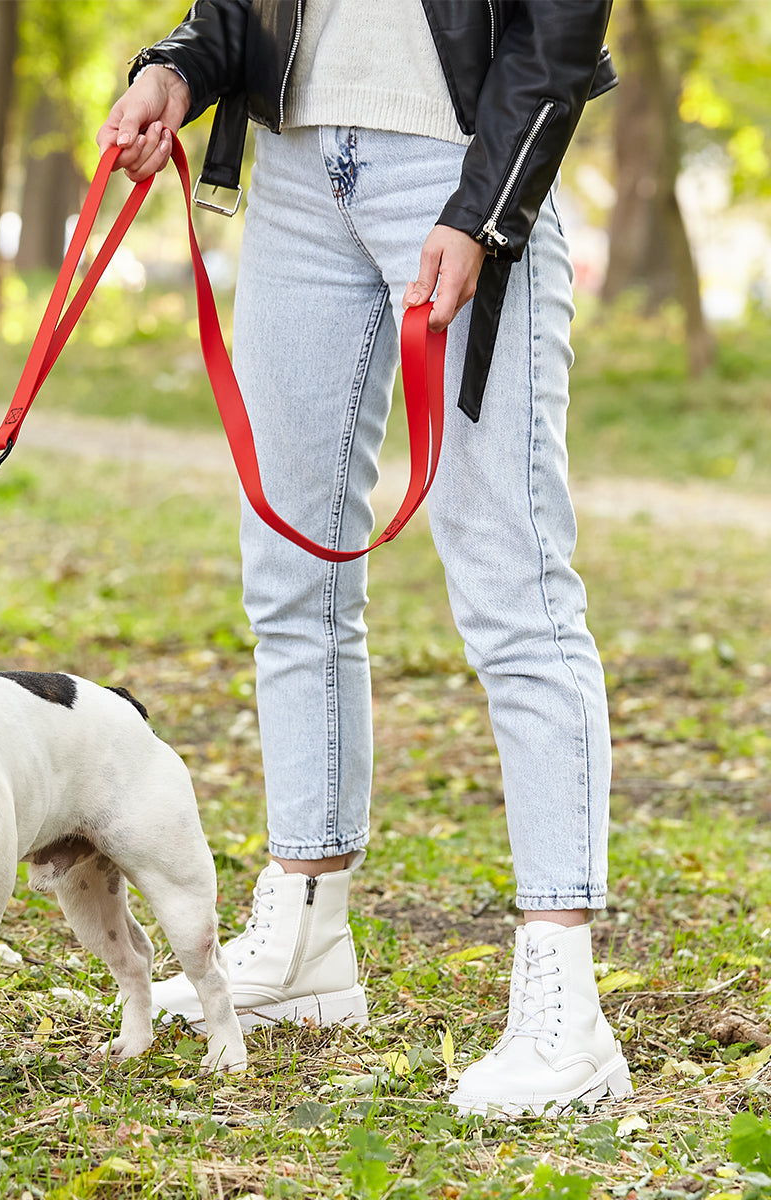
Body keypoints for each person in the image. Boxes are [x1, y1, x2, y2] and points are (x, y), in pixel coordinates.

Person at [97, 0, 632, 1117]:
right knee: (291, 577)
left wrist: (484, 211)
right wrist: (177, 72)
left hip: (461, 168)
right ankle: (305, 930)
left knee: (515, 587)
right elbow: (239, 13)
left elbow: (559, 24)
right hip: (293, 174)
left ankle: (564, 999)